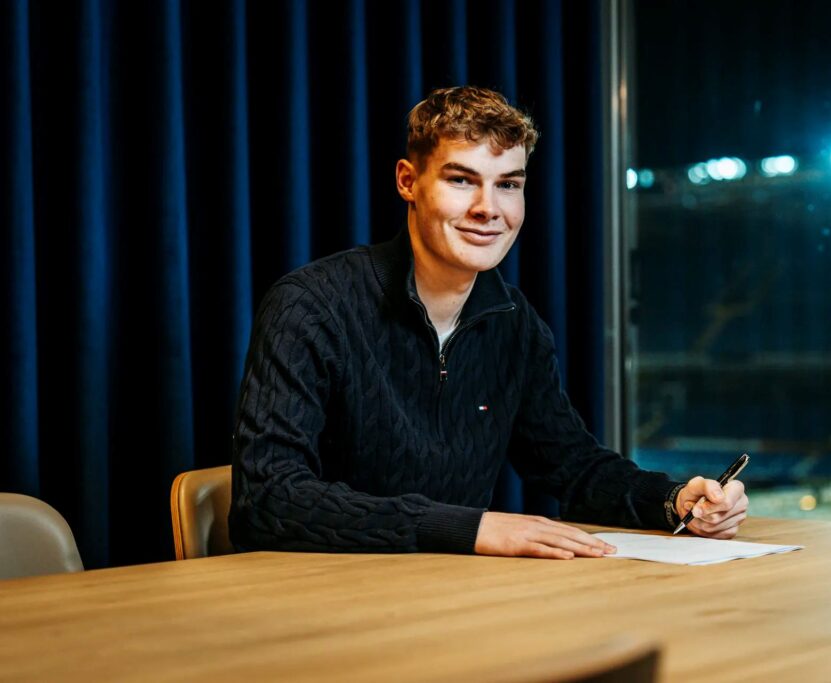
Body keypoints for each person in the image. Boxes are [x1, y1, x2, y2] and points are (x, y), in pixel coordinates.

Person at [229, 86, 748, 559]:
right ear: (409, 182)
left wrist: (674, 500)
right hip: (319, 600)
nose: (488, 208)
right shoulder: (312, 305)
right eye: (461, 180)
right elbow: (270, 498)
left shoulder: (515, 323)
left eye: (508, 185)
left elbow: (575, 466)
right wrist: (470, 529)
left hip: (457, 599)